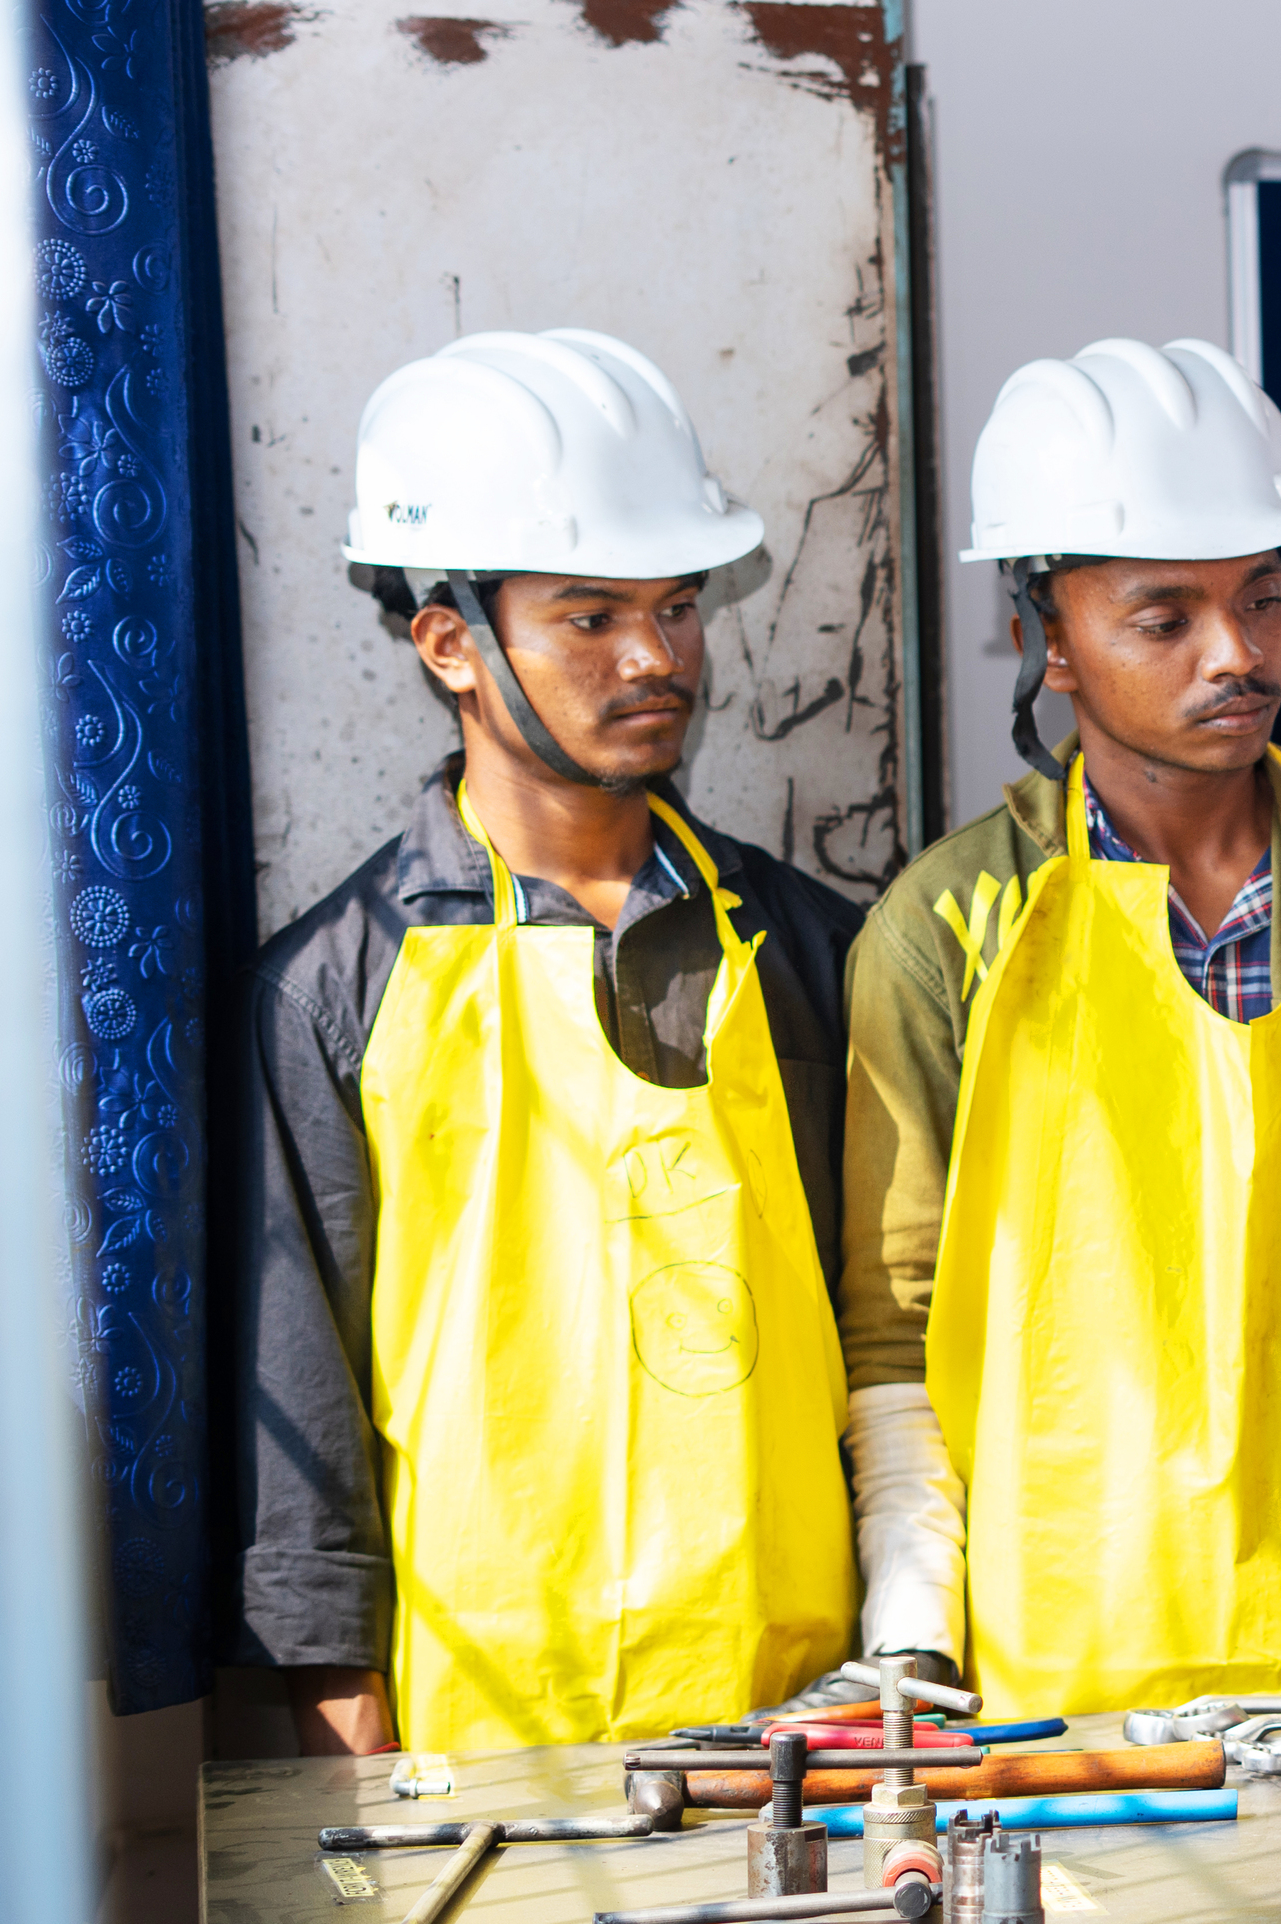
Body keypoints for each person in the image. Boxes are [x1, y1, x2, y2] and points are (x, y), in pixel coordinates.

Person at [837, 337, 1281, 1716]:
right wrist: (914, 1635)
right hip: (1077, 1678)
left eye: (1263, 599)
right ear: (1045, 638)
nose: (1237, 656)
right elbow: (899, 1338)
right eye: (1164, 619)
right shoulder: (947, 929)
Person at [238, 329, 867, 1753]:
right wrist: (369, 1797)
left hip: (799, 1732)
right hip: (484, 1735)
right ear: (450, 643)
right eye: (591, 617)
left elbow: (888, 1338)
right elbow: (304, 1432)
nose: (656, 657)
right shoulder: (334, 989)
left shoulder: (813, 952)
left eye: (679, 608)